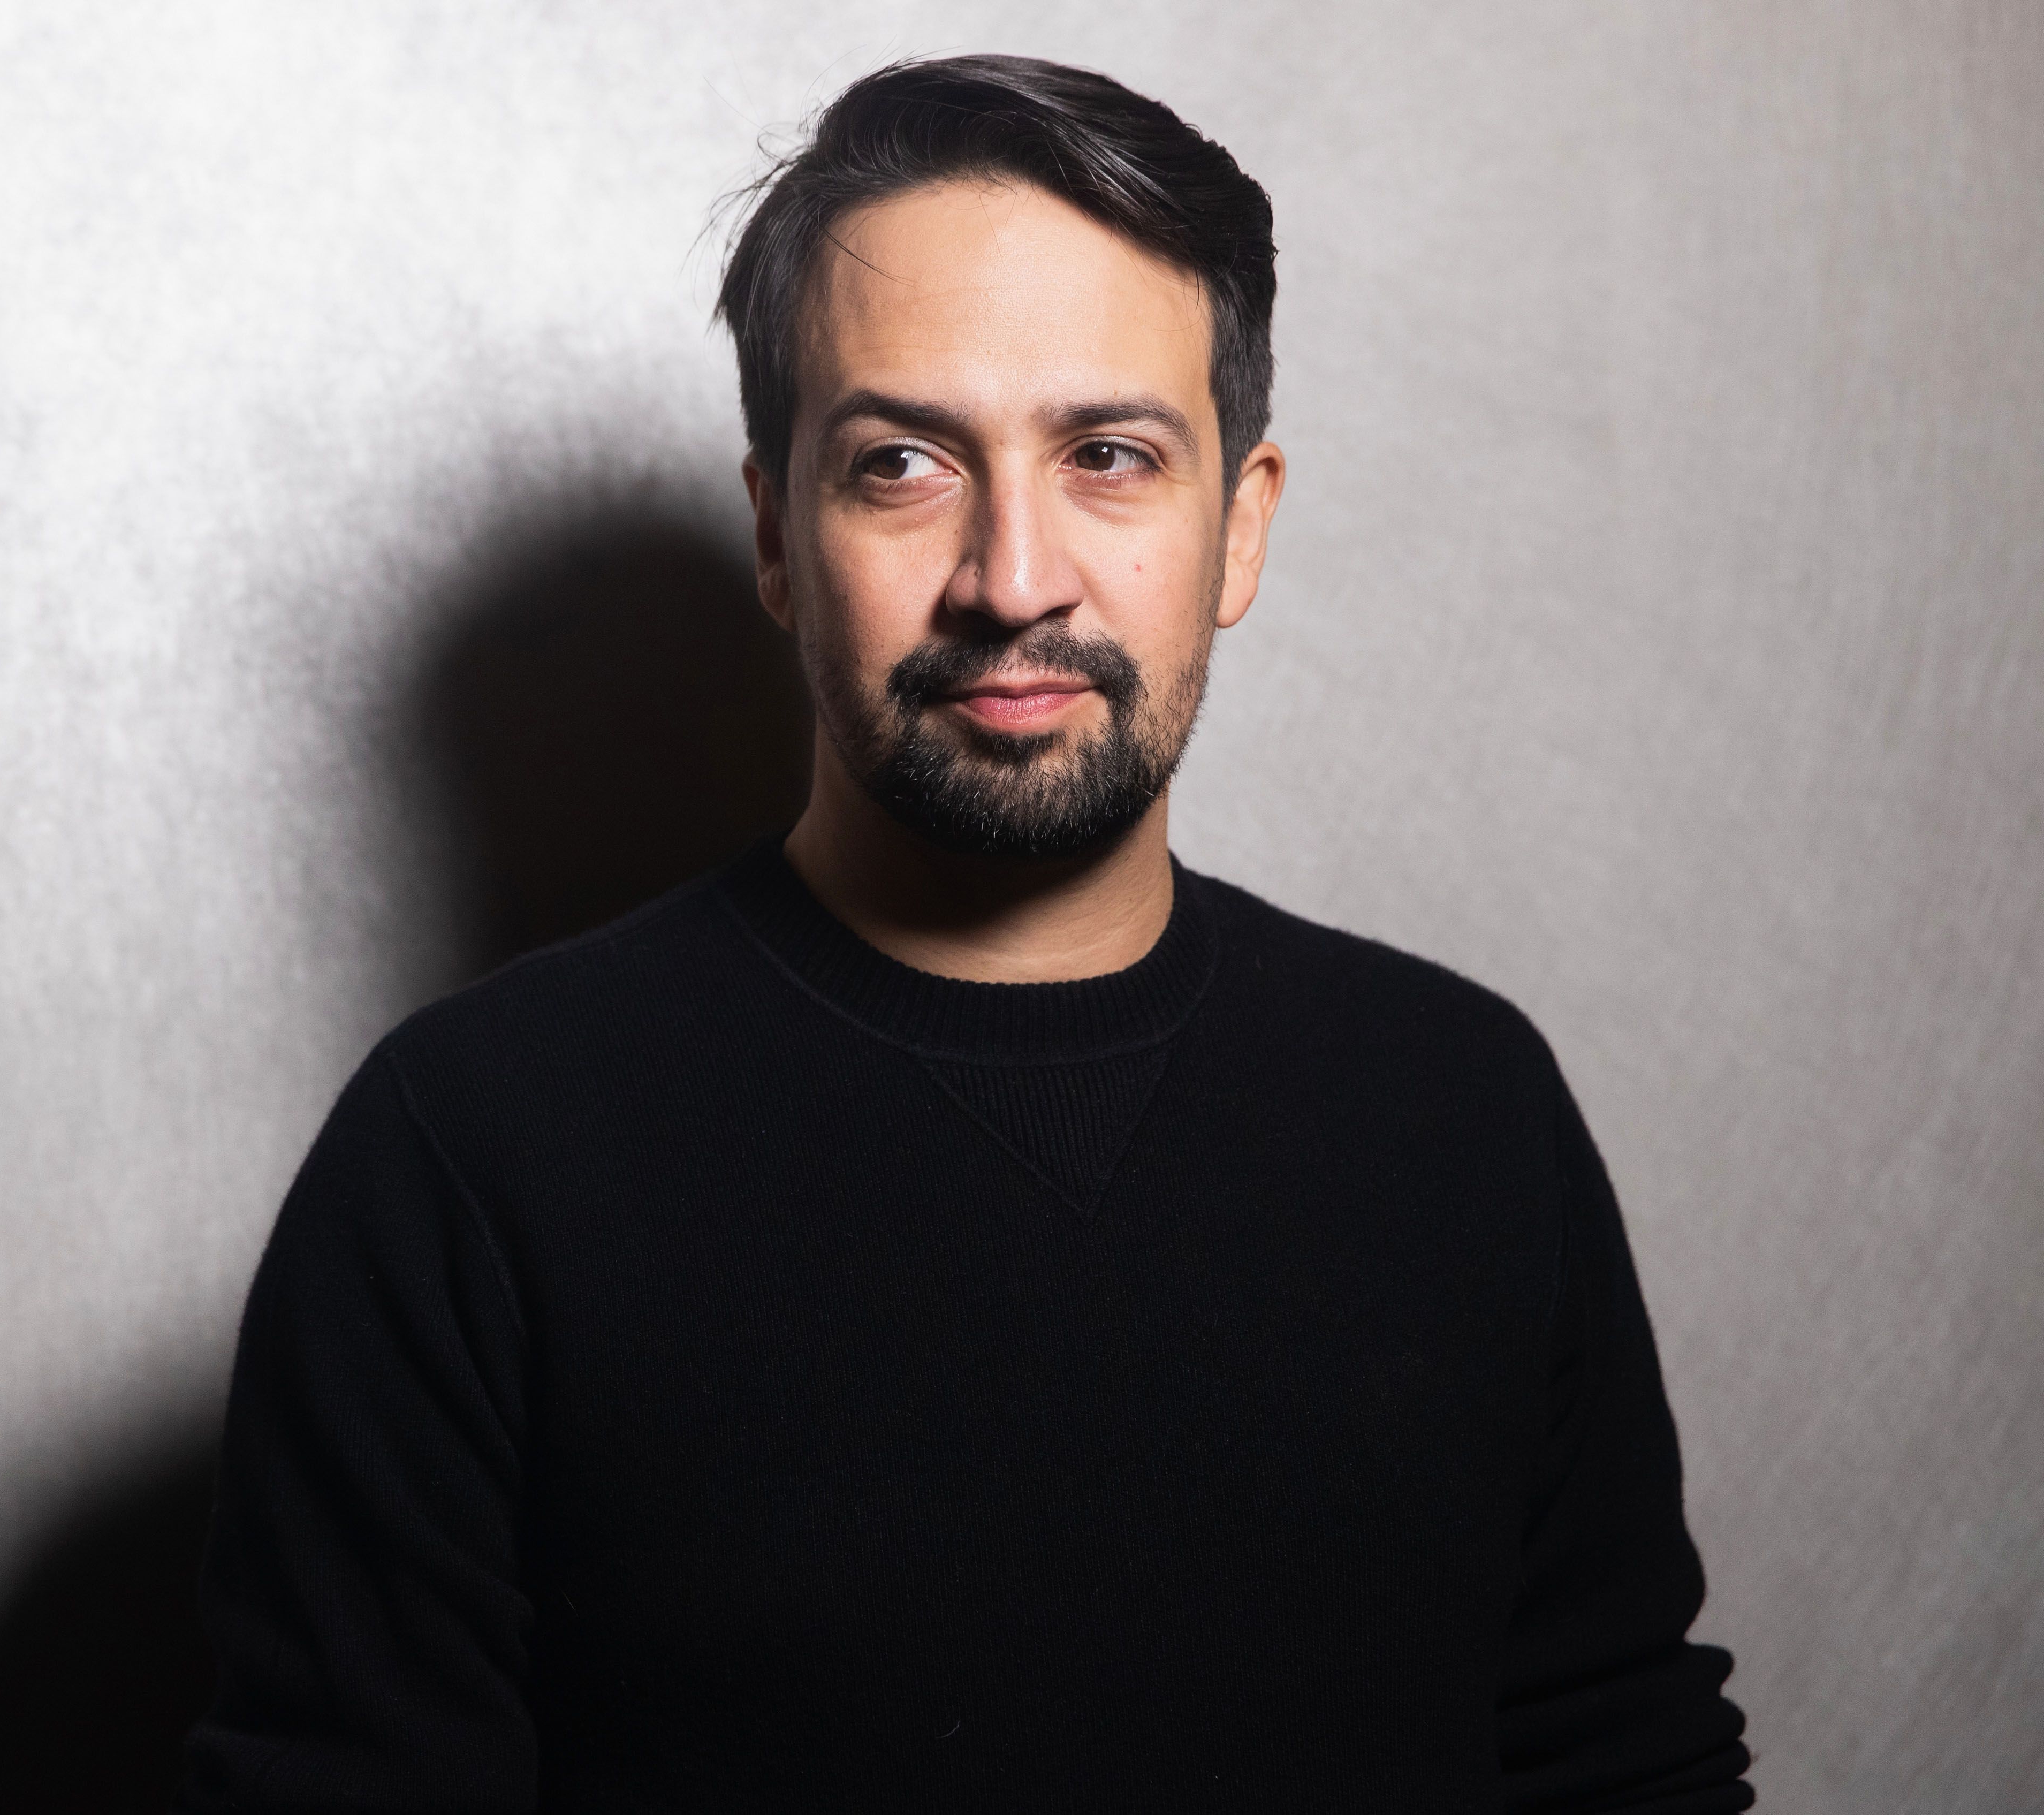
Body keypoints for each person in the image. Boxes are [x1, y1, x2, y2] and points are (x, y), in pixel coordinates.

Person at [175, 54, 1752, 1813]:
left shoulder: (1465, 1111)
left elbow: (1625, 1766)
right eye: (905, 463)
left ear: (1240, 525)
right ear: (778, 530)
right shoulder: (466, 1155)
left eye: (1110, 456)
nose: (1014, 577)